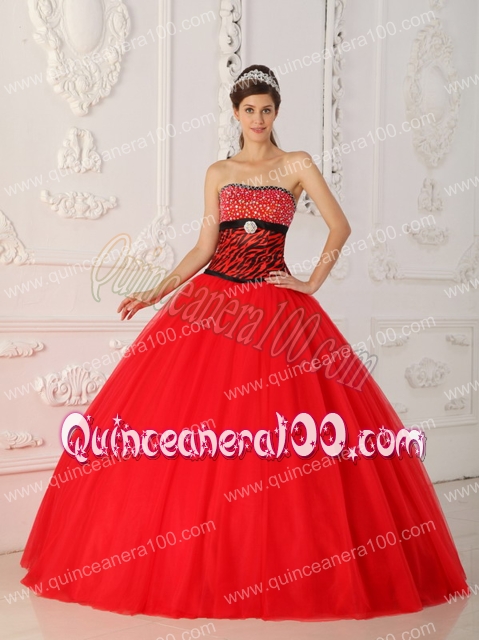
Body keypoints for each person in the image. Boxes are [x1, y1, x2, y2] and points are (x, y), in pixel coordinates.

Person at [20, 65, 469, 621]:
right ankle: (201, 556)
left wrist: (310, 283)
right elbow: (204, 247)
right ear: (235, 114)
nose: (258, 118)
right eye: (249, 110)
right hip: (211, 304)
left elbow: (340, 226)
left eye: (266, 109)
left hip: (276, 309)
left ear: (277, 112)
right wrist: (155, 291)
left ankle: (285, 560)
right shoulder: (219, 172)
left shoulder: (297, 165)